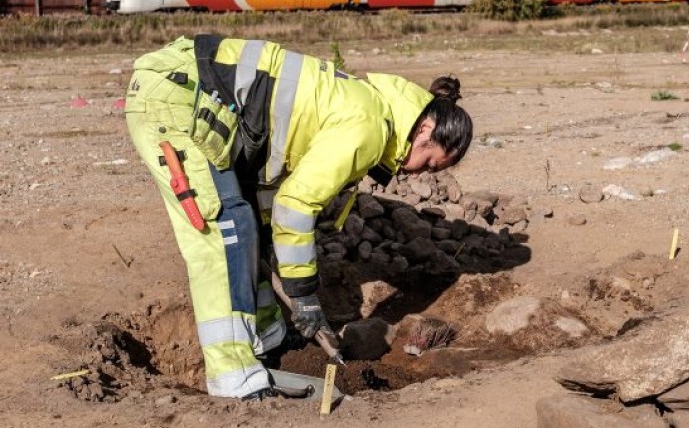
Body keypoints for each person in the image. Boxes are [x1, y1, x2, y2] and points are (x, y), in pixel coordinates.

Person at [124, 35, 473, 399]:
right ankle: (233, 378)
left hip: (198, 97)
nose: (421, 173)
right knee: (225, 230)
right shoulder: (368, 126)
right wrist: (304, 296)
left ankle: (269, 337)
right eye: (430, 161)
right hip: (176, 96)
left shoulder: (372, 109)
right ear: (425, 130)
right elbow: (295, 204)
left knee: (249, 227)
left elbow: (276, 188)